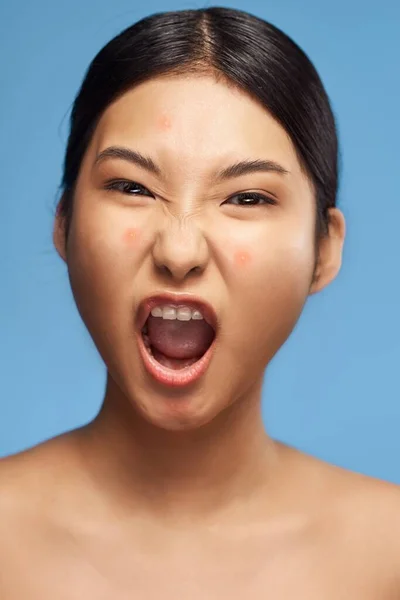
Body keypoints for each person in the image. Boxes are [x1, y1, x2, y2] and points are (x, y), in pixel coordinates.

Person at [0, 6, 399, 598]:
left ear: (324, 248)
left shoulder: (386, 551)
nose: (180, 249)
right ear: (64, 223)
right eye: (132, 187)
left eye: (246, 197)